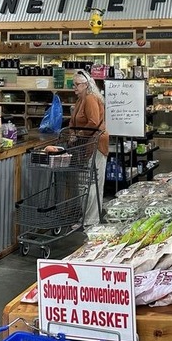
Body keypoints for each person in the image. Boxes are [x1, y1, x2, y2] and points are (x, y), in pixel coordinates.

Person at [70, 69, 109, 226]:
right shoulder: (81, 99)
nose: (74, 88)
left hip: (96, 144)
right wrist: (73, 132)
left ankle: (91, 219)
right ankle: (87, 217)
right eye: (74, 85)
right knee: (86, 181)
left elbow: (93, 122)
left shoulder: (91, 99)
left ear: (86, 85)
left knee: (92, 181)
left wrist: (78, 133)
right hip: (86, 143)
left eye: (77, 85)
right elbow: (73, 120)